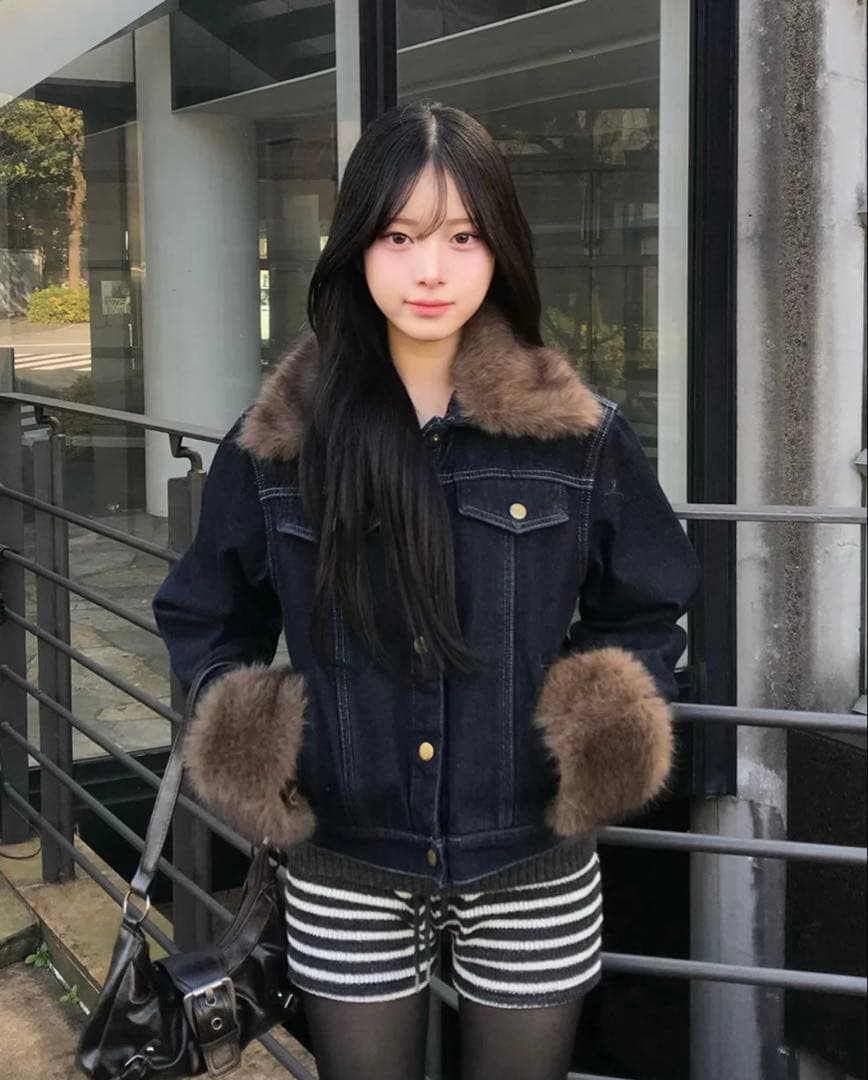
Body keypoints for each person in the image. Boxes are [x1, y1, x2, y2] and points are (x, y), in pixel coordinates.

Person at [152, 101, 702, 1080]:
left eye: (462, 236)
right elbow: (206, 613)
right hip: (345, 860)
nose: (430, 271)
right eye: (399, 237)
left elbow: (648, 607)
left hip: (531, 858)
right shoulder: (282, 443)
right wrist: (265, 748)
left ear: (501, 248)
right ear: (357, 245)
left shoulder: (576, 438)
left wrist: (594, 732)